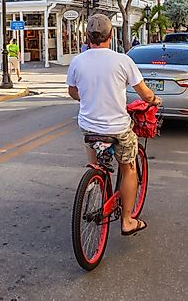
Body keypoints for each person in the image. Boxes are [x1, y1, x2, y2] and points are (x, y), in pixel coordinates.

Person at [67, 14, 162, 236]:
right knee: (128, 167)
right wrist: (154, 100)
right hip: (117, 128)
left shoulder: (77, 61)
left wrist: (89, 97)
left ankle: (95, 179)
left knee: (94, 155)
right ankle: (128, 220)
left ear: (87, 36)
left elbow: (73, 92)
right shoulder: (123, 60)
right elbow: (144, 93)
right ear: (111, 35)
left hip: (89, 127)